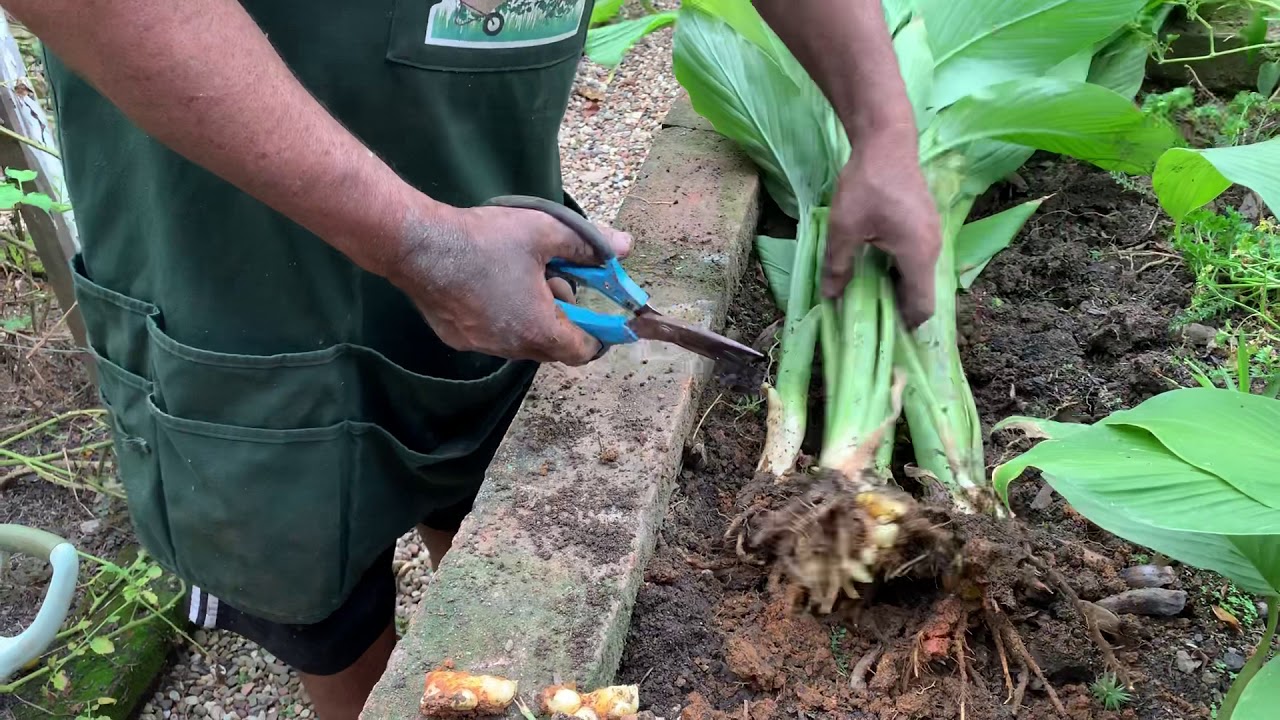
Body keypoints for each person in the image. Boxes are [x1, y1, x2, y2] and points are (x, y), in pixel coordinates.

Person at [7, 1, 940, 718]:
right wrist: (416, 242)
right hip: (229, 263)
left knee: (480, 474)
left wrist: (885, 128)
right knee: (314, 605)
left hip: (493, 204)